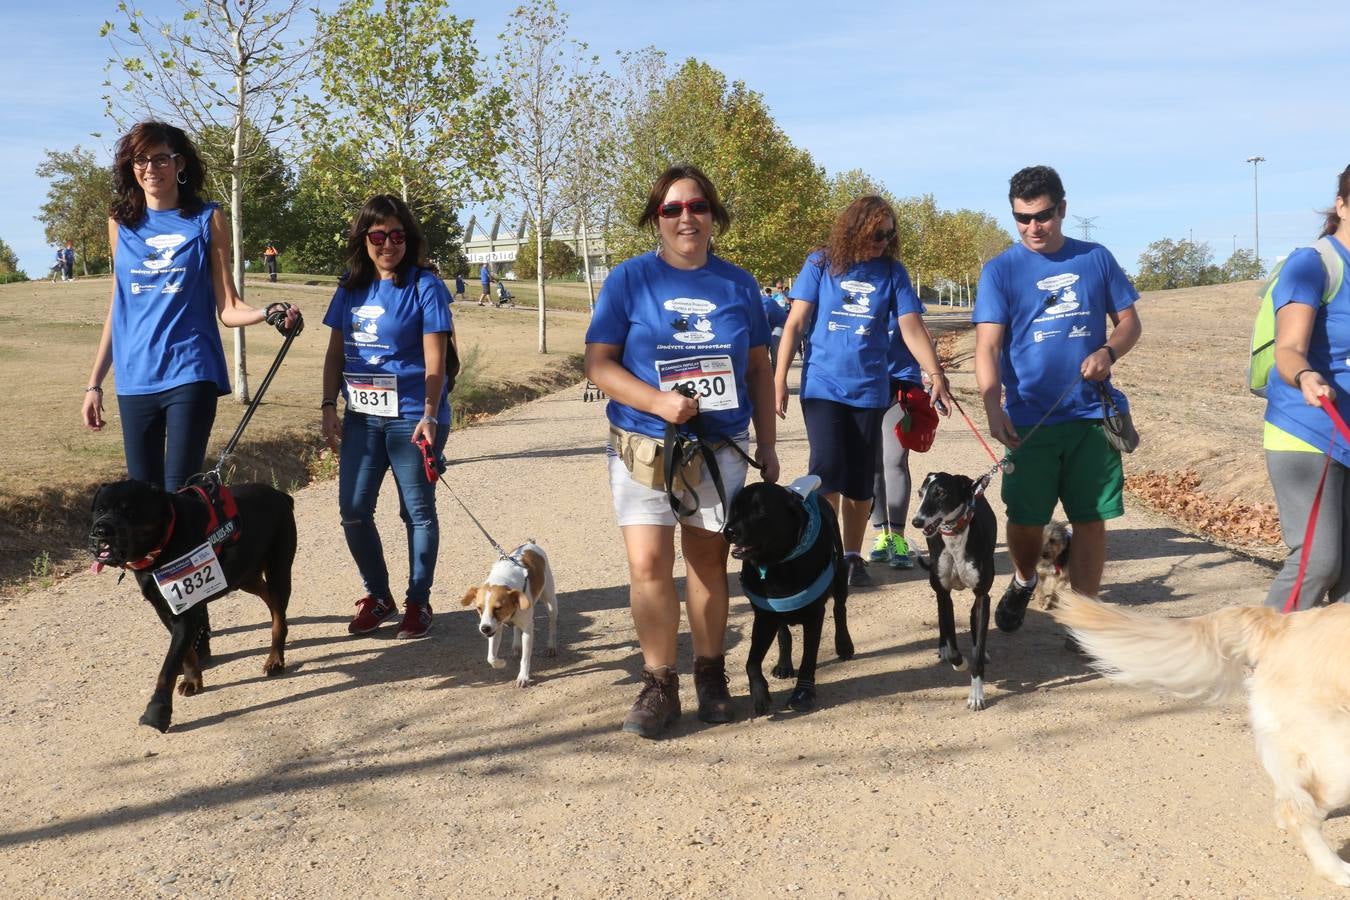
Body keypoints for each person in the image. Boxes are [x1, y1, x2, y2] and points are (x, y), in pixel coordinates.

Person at [585, 163, 779, 739]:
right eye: (671, 209)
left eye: (696, 206)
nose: (685, 218)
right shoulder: (629, 280)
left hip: (720, 447)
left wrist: (767, 444)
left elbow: (758, 368)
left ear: (713, 214)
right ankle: (658, 683)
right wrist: (657, 401)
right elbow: (598, 363)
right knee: (647, 565)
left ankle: (710, 673)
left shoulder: (739, 285)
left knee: (707, 561)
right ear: (656, 219)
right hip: (646, 444)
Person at [81, 120, 301, 492]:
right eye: (141, 159)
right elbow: (119, 308)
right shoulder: (120, 224)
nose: (151, 168)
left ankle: (198, 550)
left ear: (180, 164)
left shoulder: (206, 218)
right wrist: (94, 384)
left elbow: (228, 306)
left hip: (190, 370)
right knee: (143, 498)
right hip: (135, 377)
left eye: (161, 159)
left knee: (180, 493)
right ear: (130, 166)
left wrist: (267, 313)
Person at [973, 164, 1142, 636]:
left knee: (1091, 519)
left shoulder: (1096, 258)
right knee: (1026, 521)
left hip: (1091, 417)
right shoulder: (1001, 270)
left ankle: (1084, 621)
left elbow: (1130, 323)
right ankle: (1025, 579)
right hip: (1029, 419)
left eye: (1043, 215)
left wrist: (1108, 351)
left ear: (1062, 209)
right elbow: (986, 346)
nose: (1033, 227)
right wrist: (992, 406)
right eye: (1021, 218)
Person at [774, 196, 952, 587]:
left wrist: (934, 371)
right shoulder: (820, 263)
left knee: (859, 478)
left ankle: (852, 557)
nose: (883, 242)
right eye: (875, 234)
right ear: (854, 229)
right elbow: (795, 323)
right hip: (823, 384)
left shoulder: (892, 272)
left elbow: (910, 327)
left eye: (889, 235)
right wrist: (779, 378)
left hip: (871, 387)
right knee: (826, 471)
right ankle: (825, 555)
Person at [321, 194, 453, 641]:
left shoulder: (425, 286)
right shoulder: (349, 287)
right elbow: (335, 353)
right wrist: (327, 407)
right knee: (354, 510)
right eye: (378, 236)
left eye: (397, 235)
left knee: (415, 511)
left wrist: (431, 415)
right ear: (364, 240)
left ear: (408, 238)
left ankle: (419, 600)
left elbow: (436, 363)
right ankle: (378, 596)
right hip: (362, 415)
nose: (388, 244)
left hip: (414, 414)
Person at [1262, 164, 1350, 611]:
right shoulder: (1313, 263)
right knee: (1319, 561)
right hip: (1307, 428)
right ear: (1342, 205)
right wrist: (1306, 376)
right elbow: (1289, 348)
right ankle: (1264, 660)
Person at [869, 310, 936, 570]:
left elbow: (919, 331)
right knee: (871, 465)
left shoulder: (898, 283)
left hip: (899, 384)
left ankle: (898, 538)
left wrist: (934, 372)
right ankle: (881, 535)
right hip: (860, 383)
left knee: (894, 460)